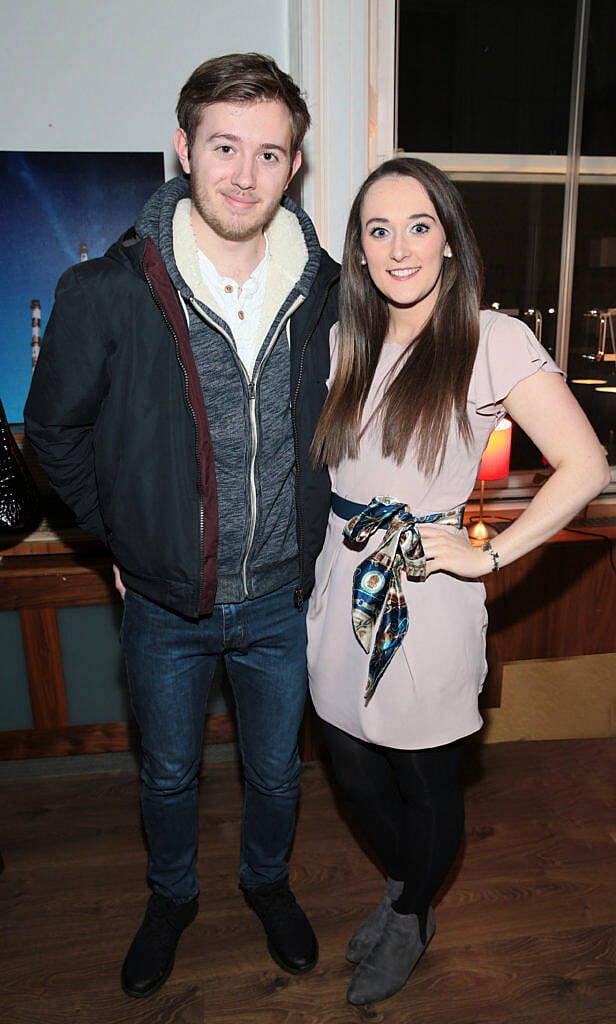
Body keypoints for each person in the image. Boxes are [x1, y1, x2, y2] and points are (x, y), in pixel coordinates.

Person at [25, 52, 339, 998]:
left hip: (284, 596)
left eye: (270, 154)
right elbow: (54, 434)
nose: (246, 174)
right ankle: (171, 899)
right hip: (166, 602)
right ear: (184, 148)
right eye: (225, 147)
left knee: (278, 776)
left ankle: (267, 883)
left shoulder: (326, 290)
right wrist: (119, 537)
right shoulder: (106, 291)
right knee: (165, 777)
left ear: (294, 167)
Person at [307, 157, 610, 1006]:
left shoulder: (492, 338)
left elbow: (585, 464)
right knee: (354, 767)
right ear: (359, 252)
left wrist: (489, 555)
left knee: (424, 776)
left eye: (418, 225)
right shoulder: (344, 341)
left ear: (448, 242)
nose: (398, 247)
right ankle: (410, 889)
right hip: (342, 579)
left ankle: (409, 907)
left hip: (428, 590)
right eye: (378, 230)